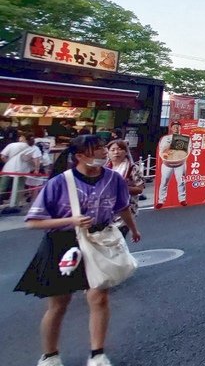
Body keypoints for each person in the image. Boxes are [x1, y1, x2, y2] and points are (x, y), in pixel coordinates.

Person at [14, 135, 141, 366]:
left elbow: (122, 207)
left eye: (104, 148)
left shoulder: (114, 179)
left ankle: (98, 354)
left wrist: (133, 229)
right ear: (80, 156)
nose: (104, 153)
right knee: (59, 304)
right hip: (62, 243)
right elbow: (33, 221)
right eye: (97, 150)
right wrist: (70, 220)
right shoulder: (60, 182)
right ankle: (50, 355)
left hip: (99, 239)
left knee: (99, 296)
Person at [106, 140, 145, 239]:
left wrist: (120, 189)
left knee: (118, 241)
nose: (116, 152)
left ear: (126, 152)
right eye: (113, 150)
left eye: (120, 149)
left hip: (125, 209)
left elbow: (139, 189)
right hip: (106, 210)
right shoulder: (104, 169)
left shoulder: (132, 168)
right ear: (108, 152)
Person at [2, 131, 43, 206]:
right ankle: (15, 204)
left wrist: (8, 162)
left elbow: (3, 156)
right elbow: (36, 160)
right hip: (22, 170)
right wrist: (36, 169)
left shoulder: (12, 145)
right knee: (19, 187)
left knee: (2, 186)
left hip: (7, 169)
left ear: (22, 138)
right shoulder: (34, 148)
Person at [155, 122, 187, 209]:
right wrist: (170, 146)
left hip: (180, 163)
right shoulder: (165, 138)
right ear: (171, 128)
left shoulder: (185, 138)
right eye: (174, 127)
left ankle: (182, 199)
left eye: (178, 127)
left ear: (180, 128)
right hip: (167, 163)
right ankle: (161, 200)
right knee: (164, 181)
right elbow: (162, 149)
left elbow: (188, 150)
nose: (176, 128)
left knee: (181, 181)